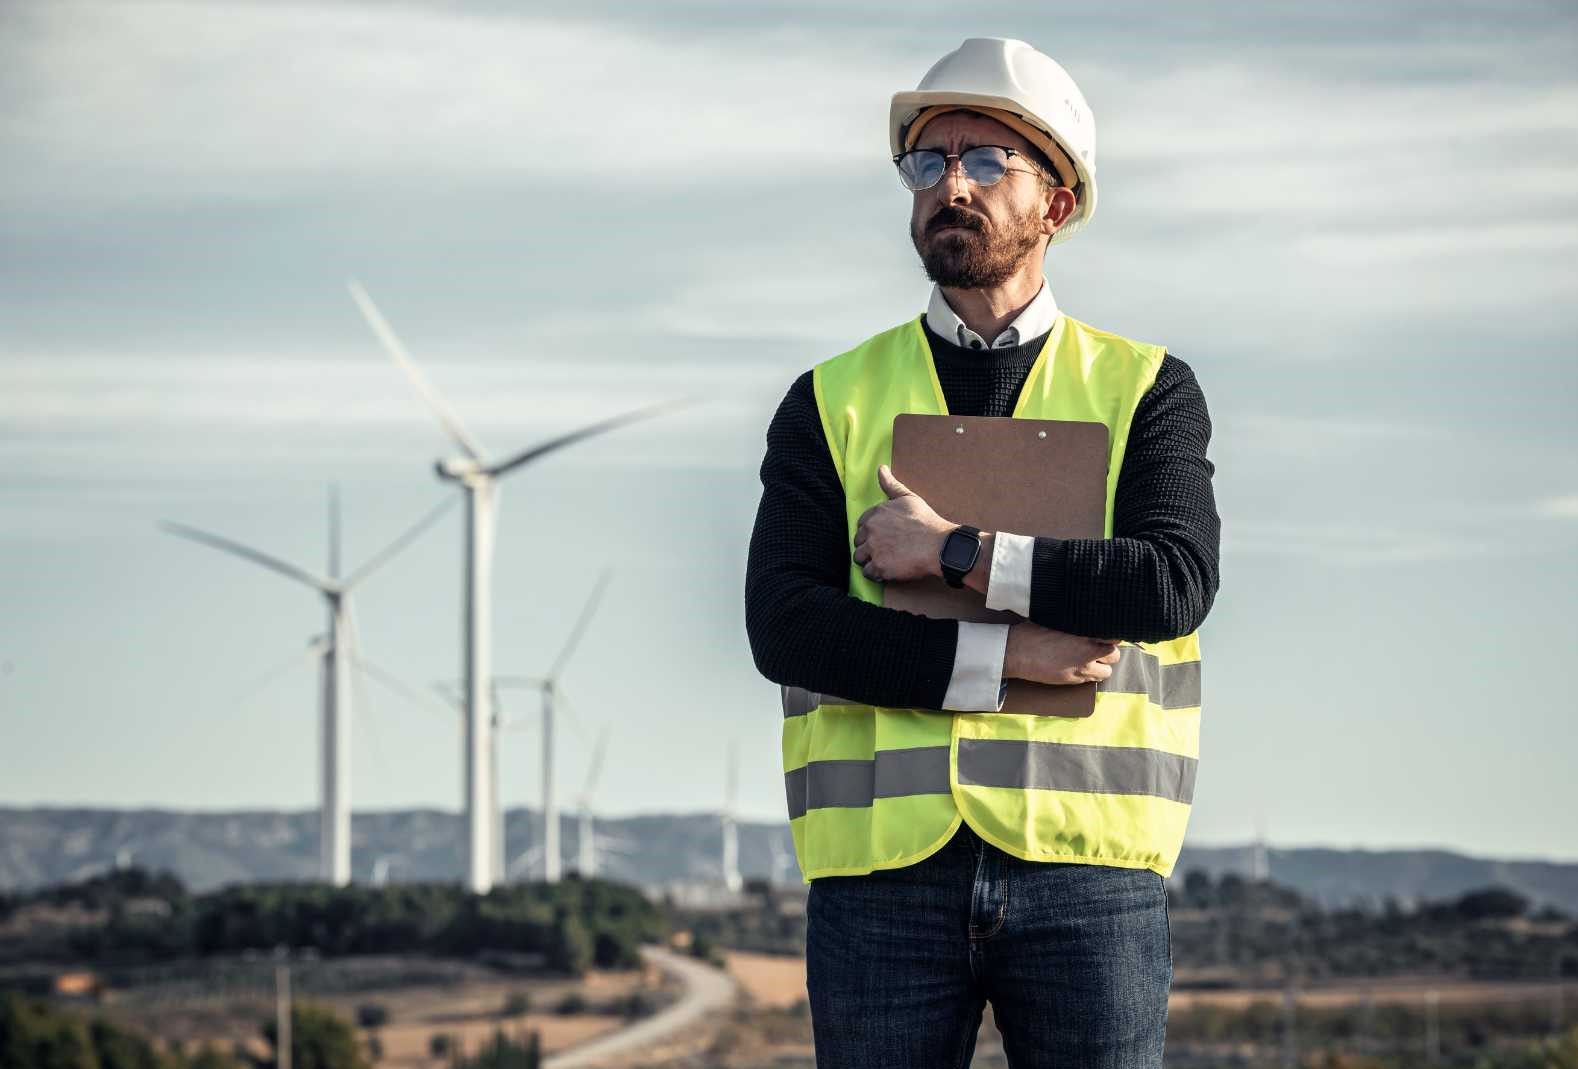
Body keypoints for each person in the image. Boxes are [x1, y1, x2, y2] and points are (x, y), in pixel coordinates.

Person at [743, 37, 1222, 1068]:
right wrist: (1007, 662)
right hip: (881, 883)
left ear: (1056, 203)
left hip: (1086, 872)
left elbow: (1171, 583)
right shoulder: (828, 399)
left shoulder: (1147, 390)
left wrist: (957, 552)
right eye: (927, 162)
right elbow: (785, 625)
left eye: (985, 160)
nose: (947, 184)